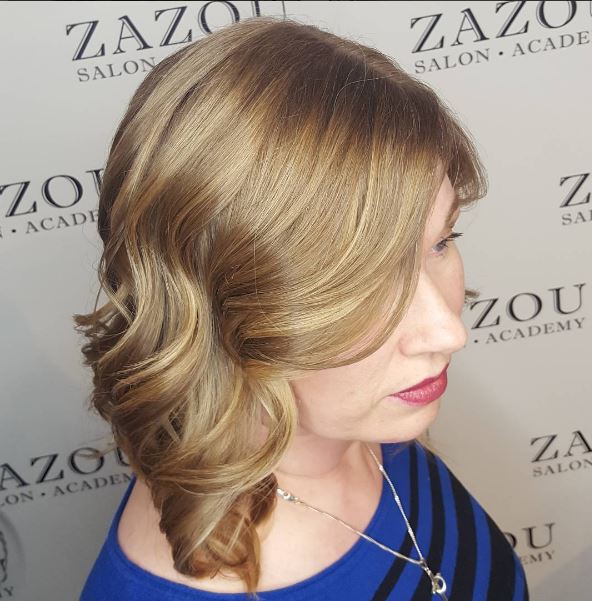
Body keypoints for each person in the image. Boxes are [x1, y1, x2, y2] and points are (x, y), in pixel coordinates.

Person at [74, 15, 529, 601]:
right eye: (362, 285)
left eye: (442, 242)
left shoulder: (363, 424)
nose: (447, 332)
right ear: (217, 302)